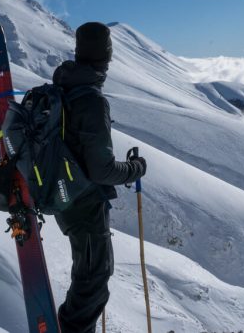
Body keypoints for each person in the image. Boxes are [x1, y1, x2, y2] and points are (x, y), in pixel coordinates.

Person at [51, 21, 147, 333]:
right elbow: (102, 169)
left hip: (64, 196)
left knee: (88, 277)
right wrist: (136, 169)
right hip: (84, 202)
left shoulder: (62, 88)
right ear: (105, 58)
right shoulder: (90, 99)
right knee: (93, 281)